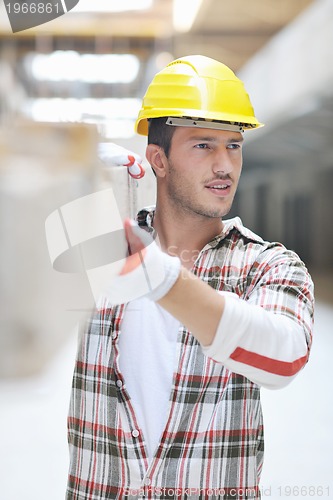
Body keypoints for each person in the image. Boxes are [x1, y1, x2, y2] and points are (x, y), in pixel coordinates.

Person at [66, 55, 314, 499]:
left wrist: (160, 279)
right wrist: (66, 180)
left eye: (233, 145)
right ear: (158, 159)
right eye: (203, 145)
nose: (225, 165)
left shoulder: (269, 265)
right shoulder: (98, 248)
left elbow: (285, 356)